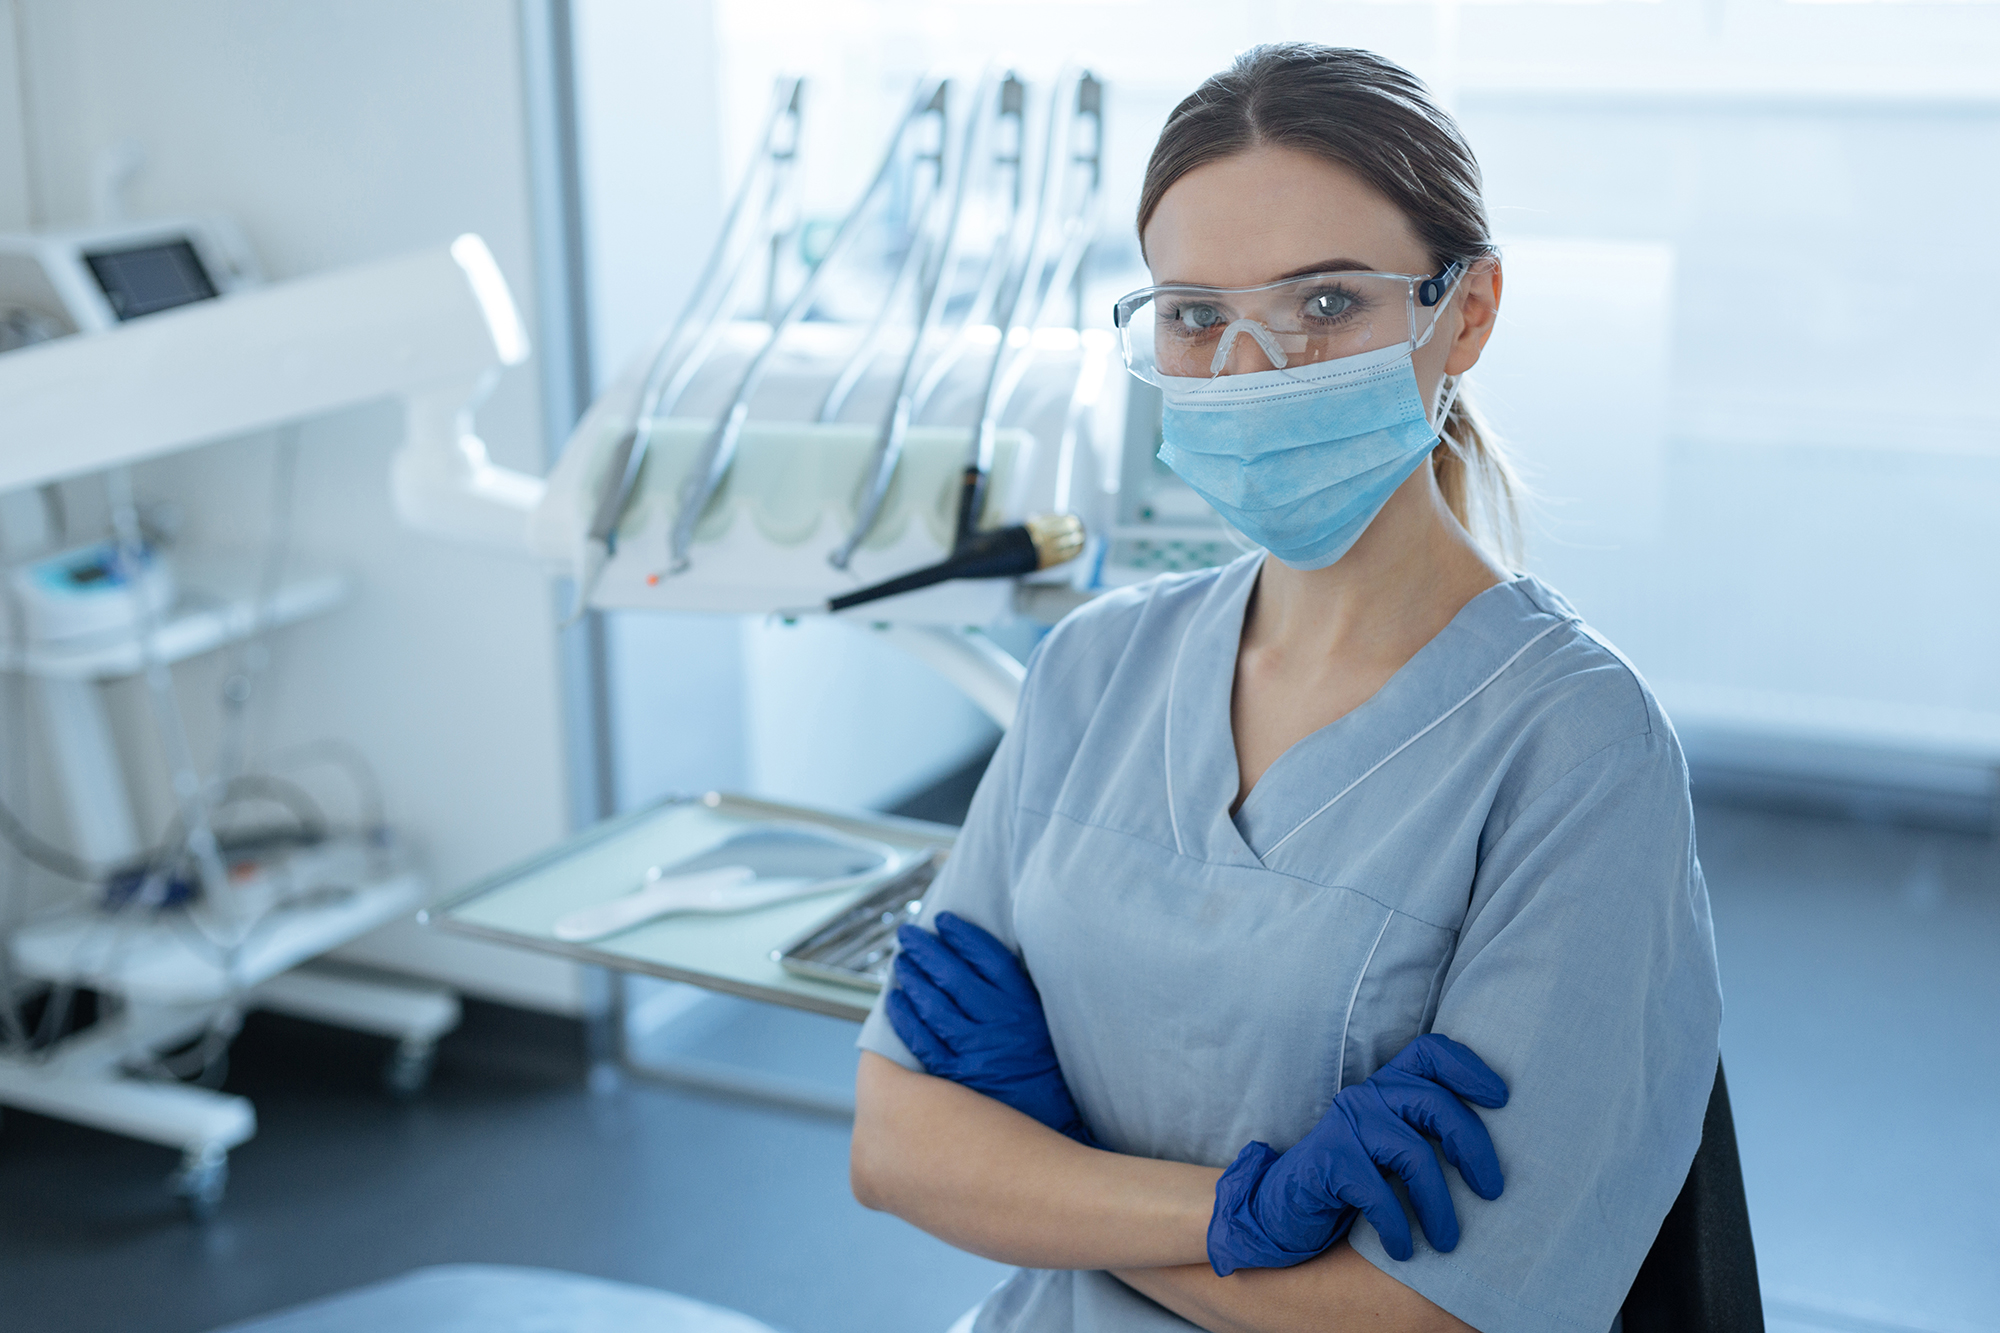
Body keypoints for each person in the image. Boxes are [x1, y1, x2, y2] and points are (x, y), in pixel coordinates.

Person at [849, 43, 1722, 1333]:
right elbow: (897, 1150)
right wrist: (1235, 1213)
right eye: (1196, 316)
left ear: (1464, 312)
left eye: (1325, 305)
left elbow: (1438, 1316)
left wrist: (1053, 1167)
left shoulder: (1578, 751)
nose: (1252, 374)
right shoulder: (1093, 668)